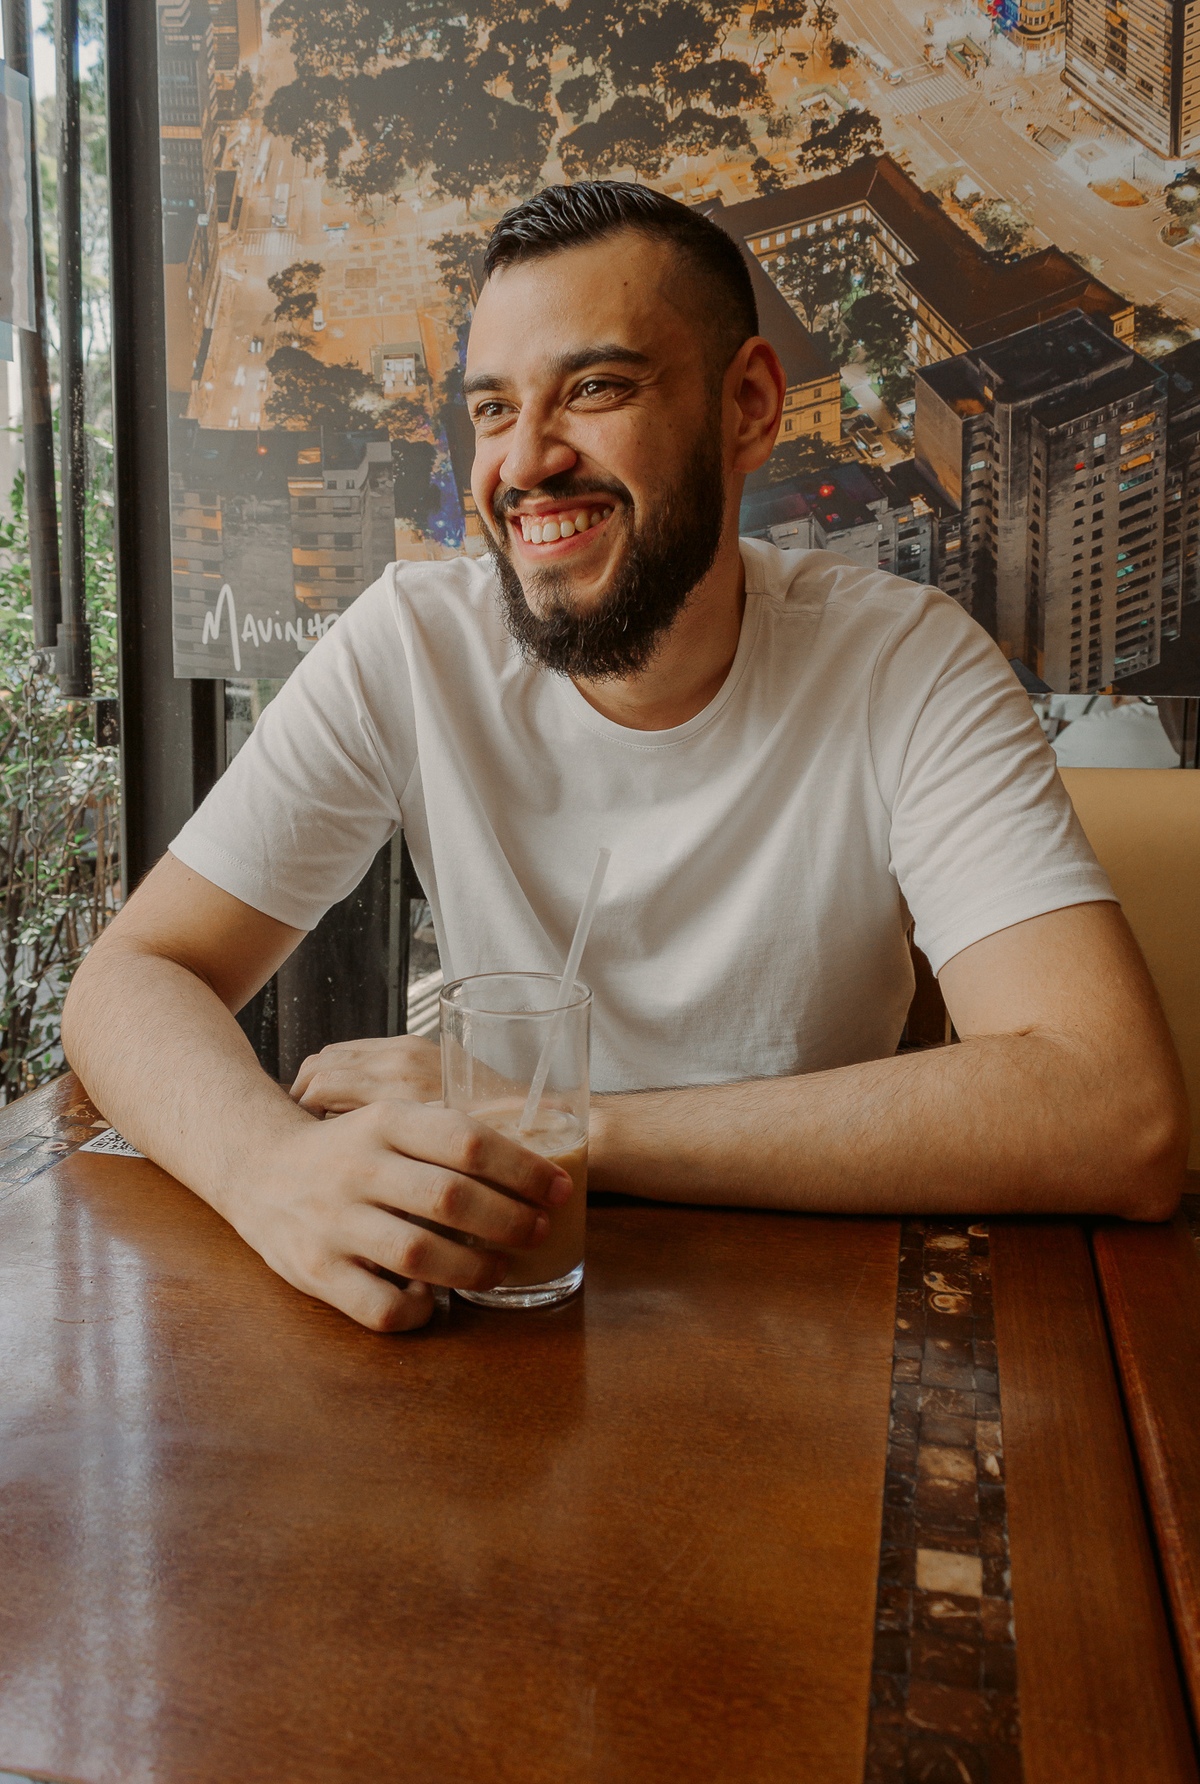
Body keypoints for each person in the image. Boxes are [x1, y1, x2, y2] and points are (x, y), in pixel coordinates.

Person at [62, 182, 1188, 1333]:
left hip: (814, 1320)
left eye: (594, 388)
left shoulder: (907, 665)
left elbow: (1117, 1113)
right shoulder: (410, 644)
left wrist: (572, 1123)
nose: (526, 462)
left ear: (748, 406)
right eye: (493, 409)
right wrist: (268, 1174)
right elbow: (126, 983)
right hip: (506, 1302)